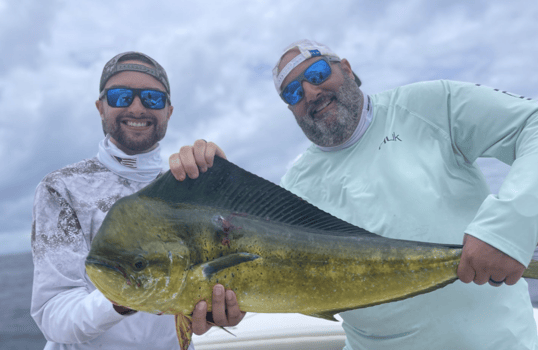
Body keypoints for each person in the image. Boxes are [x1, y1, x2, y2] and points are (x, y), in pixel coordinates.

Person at [269, 39, 538, 349]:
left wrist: (511, 224)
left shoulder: (431, 104)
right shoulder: (292, 188)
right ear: (291, 110)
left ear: (346, 68)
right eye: (293, 93)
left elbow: (531, 123)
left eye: (316, 74)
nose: (310, 92)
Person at [31, 51, 245, 350]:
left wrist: (213, 310)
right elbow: (54, 316)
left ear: (168, 111)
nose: (136, 107)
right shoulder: (61, 188)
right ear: (100, 107)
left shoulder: (186, 187)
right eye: (120, 96)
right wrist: (124, 296)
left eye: (151, 99)